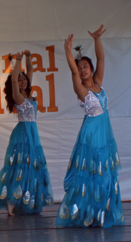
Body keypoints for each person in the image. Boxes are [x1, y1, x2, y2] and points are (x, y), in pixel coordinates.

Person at [55, 25, 125, 228]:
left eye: (85, 66)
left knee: (104, 174)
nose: (83, 69)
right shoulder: (82, 91)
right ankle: (87, 213)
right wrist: (68, 52)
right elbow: (73, 72)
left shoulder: (99, 83)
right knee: (93, 173)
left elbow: (102, 59)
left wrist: (96, 39)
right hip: (92, 135)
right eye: (80, 67)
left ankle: (102, 212)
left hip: (104, 135)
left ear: (91, 69)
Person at [0, 51, 53, 216]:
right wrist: (18, 61)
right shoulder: (18, 96)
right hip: (23, 133)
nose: (22, 81)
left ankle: (28, 201)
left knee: (31, 167)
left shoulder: (29, 94)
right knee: (20, 167)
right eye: (19, 80)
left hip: (32, 133)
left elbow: (30, 71)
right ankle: (11, 204)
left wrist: (28, 57)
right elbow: (14, 80)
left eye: (24, 79)